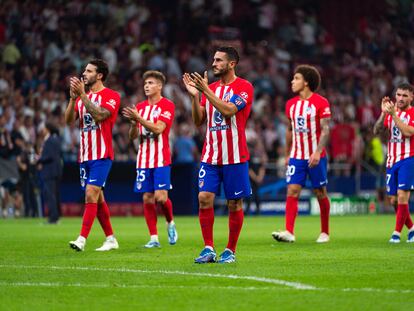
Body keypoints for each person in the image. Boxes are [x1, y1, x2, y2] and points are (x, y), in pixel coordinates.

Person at [183, 46, 254, 263]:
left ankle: (230, 250)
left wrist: (205, 91)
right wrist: (195, 97)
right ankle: (208, 248)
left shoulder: (244, 87)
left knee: (234, 203)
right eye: (213, 60)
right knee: (204, 198)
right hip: (210, 156)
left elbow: (229, 110)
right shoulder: (210, 88)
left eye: (219, 60)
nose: (214, 64)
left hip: (235, 157)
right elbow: (198, 121)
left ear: (232, 64)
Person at [65, 59, 120, 252]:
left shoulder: (111, 96)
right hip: (84, 156)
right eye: (84, 70)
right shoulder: (80, 98)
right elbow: (68, 120)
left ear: (100, 75)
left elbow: (100, 115)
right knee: (97, 198)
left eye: (89, 71)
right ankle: (111, 238)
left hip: (102, 155)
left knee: (90, 194)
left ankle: (81, 239)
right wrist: (73, 99)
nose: (84, 74)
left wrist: (82, 95)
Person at [272, 65, 331, 243]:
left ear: (306, 82)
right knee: (292, 190)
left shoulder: (321, 102)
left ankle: (325, 232)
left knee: (320, 192)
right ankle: (289, 232)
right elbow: (290, 130)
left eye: (296, 78)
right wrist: (288, 153)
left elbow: (326, 130)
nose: (292, 81)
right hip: (297, 156)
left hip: (316, 156)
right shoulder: (290, 105)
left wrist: (318, 152)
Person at [122, 70, 178, 248]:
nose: (147, 86)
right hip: (143, 159)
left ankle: (170, 223)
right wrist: (133, 124)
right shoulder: (140, 107)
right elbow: (132, 137)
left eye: (151, 83)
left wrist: (138, 118)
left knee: (161, 198)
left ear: (160, 86)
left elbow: (158, 129)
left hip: (161, 158)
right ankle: (154, 238)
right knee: (147, 197)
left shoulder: (167, 105)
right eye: (146, 83)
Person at [373, 83, 414, 243]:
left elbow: (407, 132)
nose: (401, 98)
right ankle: (411, 229)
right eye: (398, 95)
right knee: (393, 200)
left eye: (405, 95)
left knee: (402, 196)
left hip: (409, 159)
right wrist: (384, 114)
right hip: (391, 160)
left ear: (411, 97)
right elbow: (376, 130)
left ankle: (396, 234)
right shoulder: (390, 113)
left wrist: (394, 115)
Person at [37, 122, 63, 224]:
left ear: (47, 129)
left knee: (50, 194)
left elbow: (49, 156)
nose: (41, 131)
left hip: (50, 171)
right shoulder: (55, 139)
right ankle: (56, 216)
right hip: (55, 171)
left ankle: (53, 218)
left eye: (43, 129)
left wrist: (39, 159)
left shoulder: (49, 140)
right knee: (54, 194)